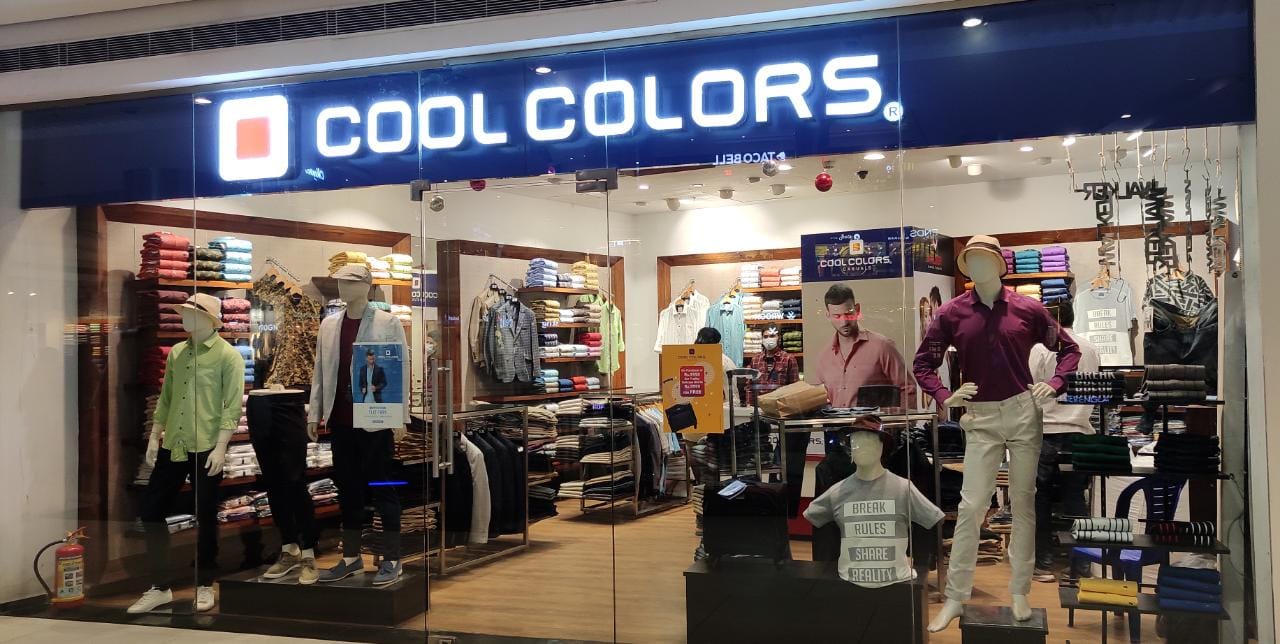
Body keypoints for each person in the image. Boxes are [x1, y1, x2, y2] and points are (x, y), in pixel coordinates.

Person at [1031, 304, 1101, 581]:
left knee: (1041, 499)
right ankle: (1081, 564)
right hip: (1080, 432)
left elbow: (1028, 389)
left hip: (1046, 431)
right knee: (1076, 499)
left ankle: (1043, 563)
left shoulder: (1040, 350)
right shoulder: (1090, 349)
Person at [814, 283, 915, 408]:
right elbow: (821, 402)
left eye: (848, 314)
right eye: (837, 316)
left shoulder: (882, 347)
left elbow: (908, 388)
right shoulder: (824, 358)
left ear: (857, 310)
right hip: (837, 421)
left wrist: (896, 419)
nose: (844, 322)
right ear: (828, 316)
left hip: (876, 421)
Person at [744, 326, 799, 405]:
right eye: (765, 336)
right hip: (759, 406)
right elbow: (750, 386)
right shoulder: (755, 360)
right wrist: (749, 405)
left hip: (780, 406)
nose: (769, 339)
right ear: (762, 339)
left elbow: (794, 387)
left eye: (772, 336)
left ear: (778, 337)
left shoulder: (788, 359)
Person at [695, 327, 738, 405]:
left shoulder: (724, 362)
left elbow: (731, 394)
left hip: (724, 406)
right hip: (707, 405)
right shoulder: (702, 360)